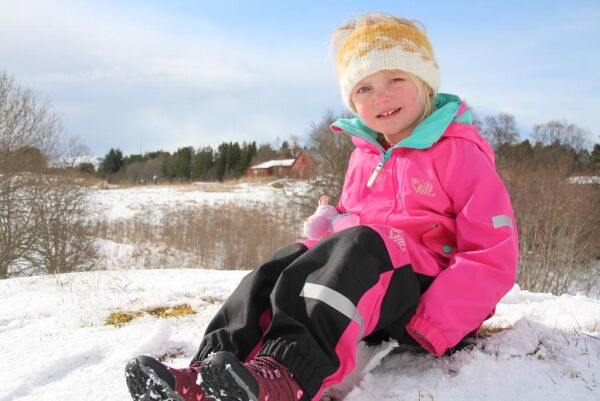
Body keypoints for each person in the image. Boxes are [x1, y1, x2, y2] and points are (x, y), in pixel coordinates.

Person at [125, 12, 519, 401]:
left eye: (395, 79)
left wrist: (436, 321)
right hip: (370, 287)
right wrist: (328, 229)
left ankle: (288, 372)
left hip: (427, 300)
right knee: (283, 263)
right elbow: (358, 225)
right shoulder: (364, 156)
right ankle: (210, 369)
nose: (380, 96)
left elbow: (492, 253)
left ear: (425, 82)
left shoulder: (459, 153)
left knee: (360, 244)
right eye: (363, 89)